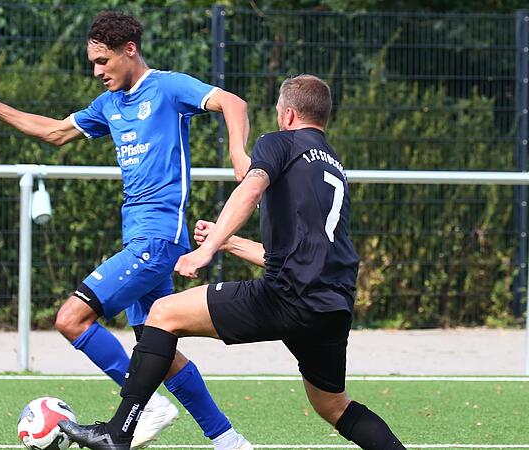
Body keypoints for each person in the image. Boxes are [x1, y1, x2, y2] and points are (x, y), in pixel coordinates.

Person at [60, 74, 407, 450]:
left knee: (161, 314)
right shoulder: (333, 165)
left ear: (288, 114)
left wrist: (206, 251)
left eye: (277, 110)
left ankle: (118, 432)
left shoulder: (278, 143)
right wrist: (228, 242)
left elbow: (251, 188)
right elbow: (291, 257)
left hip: (285, 297)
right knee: (334, 406)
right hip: (332, 306)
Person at [0, 10, 253, 450]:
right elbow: (56, 133)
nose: (97, 72)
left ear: (129, 51)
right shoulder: (109, 105)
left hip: (158, 239)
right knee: (161, 351)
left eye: (103, 61)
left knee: (71, 318)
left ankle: (146, 404)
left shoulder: (169, 87)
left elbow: (234, 103)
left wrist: (237, 153)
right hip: (137, 238)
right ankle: (229, 440)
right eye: (93, 63)